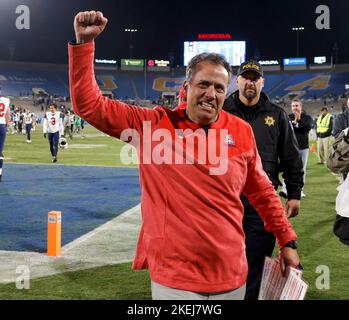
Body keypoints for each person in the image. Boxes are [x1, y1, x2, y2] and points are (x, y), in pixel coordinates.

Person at [70, 11, 301, 300]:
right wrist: (84, 45)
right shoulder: (154, 125)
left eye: (219, 87)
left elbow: (264, 193)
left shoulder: (240, 131)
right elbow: (90, 106)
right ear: (186, 88)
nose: (211, 94)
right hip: (176, 281)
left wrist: (287, 240)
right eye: (203, 84)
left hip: (231, 274)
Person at [223, 60, 304, 301]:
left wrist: (294, 194)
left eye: (255, 78)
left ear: (262, 82)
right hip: (225, 199)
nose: (250, 82)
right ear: (237, 81)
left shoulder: (277, 115)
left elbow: (290, 157)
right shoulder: (221, 110)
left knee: (256, 261)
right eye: (245, 77)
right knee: (224, 259)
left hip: (262, 203)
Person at [279, 99, 313, 198]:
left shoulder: (307, 117)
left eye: (297, 105)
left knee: (302, 170)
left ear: (301, 107)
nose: (295, 107)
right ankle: (285, 189)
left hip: (303, 148)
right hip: (290, 148)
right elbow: (284, 130)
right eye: (293, 106)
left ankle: (300, 191)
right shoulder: (288, 117)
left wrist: (299, 120)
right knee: (288, 168)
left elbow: (307, 128)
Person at [0, 95, 10, 182]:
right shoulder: (6, 100)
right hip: (2, 126)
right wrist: (7, 126)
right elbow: (7, 115)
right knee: (0, 152)